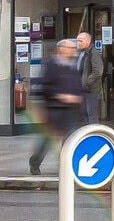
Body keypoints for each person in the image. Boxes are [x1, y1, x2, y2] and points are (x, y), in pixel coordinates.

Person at [29, 40, 86, 176]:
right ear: (61, 49)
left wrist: (78, 96)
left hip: (70, 109)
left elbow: (77, 84)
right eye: (70, 48)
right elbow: (44, 86)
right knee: (48, 138)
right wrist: (60, 95)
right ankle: (35, 162)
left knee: (69, 139)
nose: (73, 50)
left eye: (74, 48)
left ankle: (65, 166)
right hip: (54, 108)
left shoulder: (72, 65)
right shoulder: (51, 64)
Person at [74, 32, 103, 124]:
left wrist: (87, 82)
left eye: (81, 41)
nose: (78, 43)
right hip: (82, 89)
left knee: (91, 113)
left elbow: (98, 71)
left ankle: (94, 134)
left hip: (90, 89)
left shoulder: (93, 53)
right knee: (85, 113)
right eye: (77, 41)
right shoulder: (81, 53)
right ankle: (87, 133)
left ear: (88, 41)